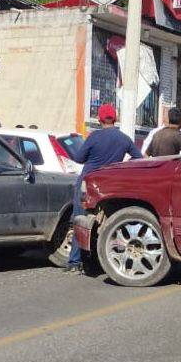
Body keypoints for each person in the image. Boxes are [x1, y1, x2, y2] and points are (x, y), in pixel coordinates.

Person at [65, 103, 142, 274]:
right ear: (115, 118)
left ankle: (75, 261)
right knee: (107, 224)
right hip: (109, 187)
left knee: (80, 220)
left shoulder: (94, 137)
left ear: (99, 119)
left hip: (87, 184)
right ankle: (103, 260)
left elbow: (79, 158)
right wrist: (121, 166)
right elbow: (138, 158)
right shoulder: (124, 138)